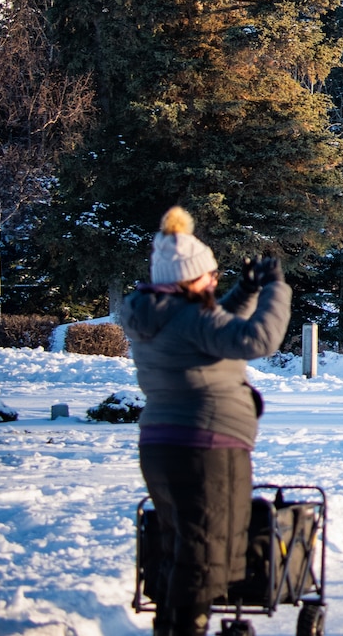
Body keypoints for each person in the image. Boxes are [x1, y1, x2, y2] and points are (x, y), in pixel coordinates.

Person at [117, 207, 291, 636]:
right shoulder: (190, 317)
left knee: (182, 543)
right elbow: (257, 339)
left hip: (160, 445)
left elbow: (212, 327)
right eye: (208, 276)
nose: (213, 281)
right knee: (205, 549)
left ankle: (170, 625)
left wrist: (244, 291)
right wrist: (275, 288)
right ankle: (187, 628)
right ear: (187, 280)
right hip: (207, 445)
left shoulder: (155, 315)